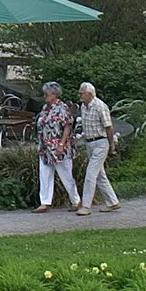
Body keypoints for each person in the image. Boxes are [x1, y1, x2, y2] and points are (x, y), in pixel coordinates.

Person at [33, 81, 81, 213]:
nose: (45, 96)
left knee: (65, 174)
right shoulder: (45, 108)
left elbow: (67, 126)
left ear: (54, 94)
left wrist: (62, 144)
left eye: (46, 94)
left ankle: (76, 200)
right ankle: (45, 202)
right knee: (44, 174)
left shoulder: (62, 107)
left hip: (59, 147)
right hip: (45, 148)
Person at [74, 82, 121, 215]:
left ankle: (86, 206)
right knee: (100, 175)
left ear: (89, 94)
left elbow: (108, 127)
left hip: (101, 143)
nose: (80, 95)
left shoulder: (100, 106)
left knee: (90, 174)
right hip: (90, 143)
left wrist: (111, 145)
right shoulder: (84, 107)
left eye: (81, 93)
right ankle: (113, 202)